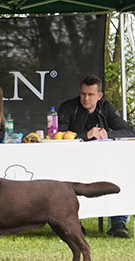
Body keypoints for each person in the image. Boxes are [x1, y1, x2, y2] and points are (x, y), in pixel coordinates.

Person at [58, 74, 135, 238]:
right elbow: (59, 135)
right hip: (74, 161)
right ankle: (75, 223)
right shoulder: (68, 107)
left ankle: (118, 222)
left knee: (120, 175)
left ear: (99, 96)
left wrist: (108, 134)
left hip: (104, 161)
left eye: (91, 95)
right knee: (65, 179)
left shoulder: (106, 107)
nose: (86, 98)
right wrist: (86, 134)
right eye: (83, 94)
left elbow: (129, 130)